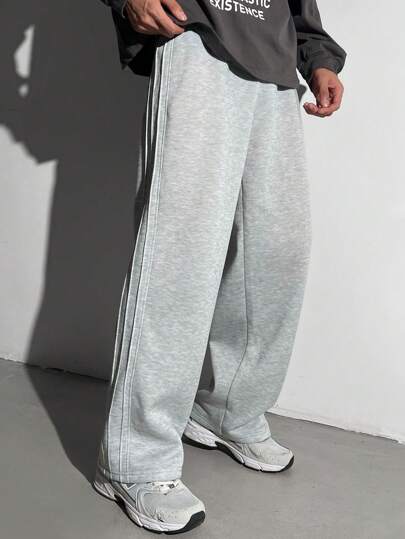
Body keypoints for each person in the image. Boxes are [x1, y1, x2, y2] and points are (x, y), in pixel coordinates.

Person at [93, 0, 346, 533]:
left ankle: (228, 410)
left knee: (275, 255)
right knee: (180, 255)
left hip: (274, 64)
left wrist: (317, 55)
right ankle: (135, 459)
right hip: (197, 36)